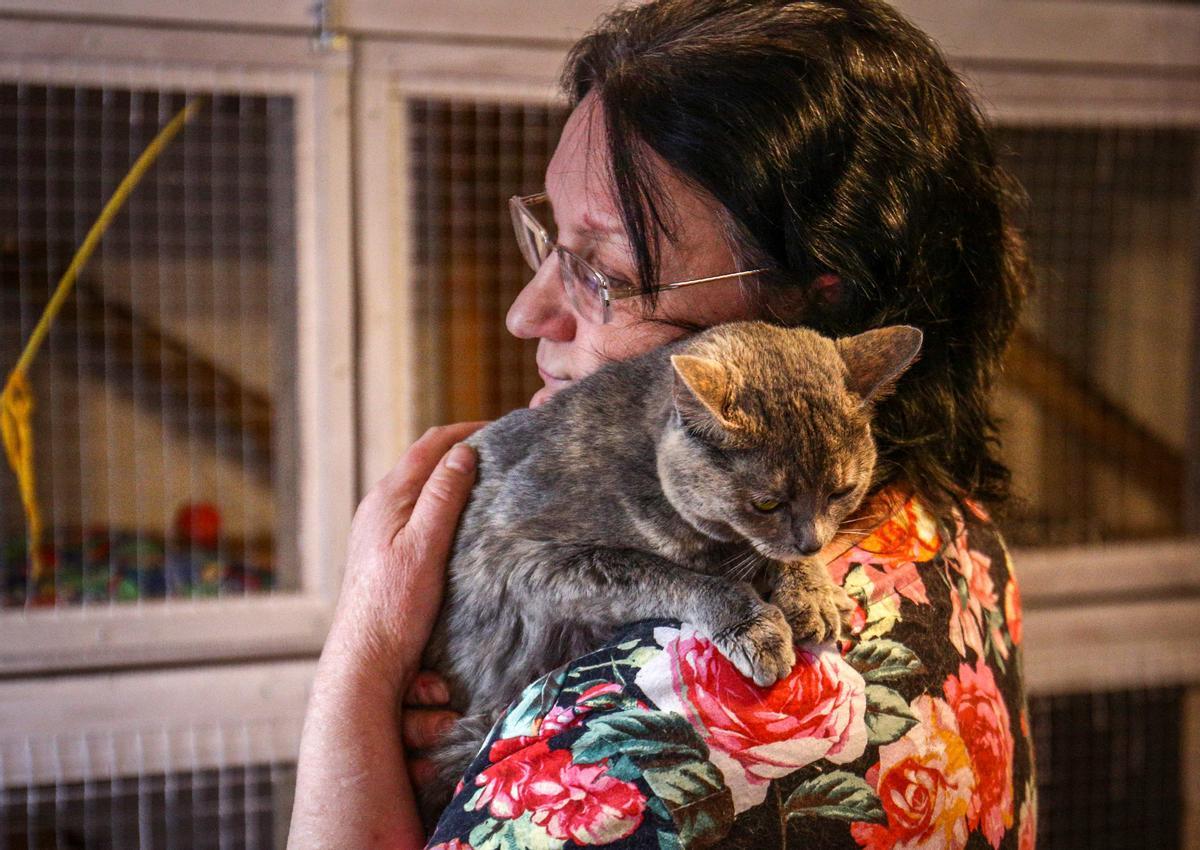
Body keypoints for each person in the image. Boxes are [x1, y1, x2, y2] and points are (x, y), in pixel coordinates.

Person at [289, 1, 1038, 847]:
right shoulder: (947, 531)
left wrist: (356, 671)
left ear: (813, 309)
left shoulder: (672, 707)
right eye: (551, 241)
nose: (525, 313)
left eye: (603, 271)